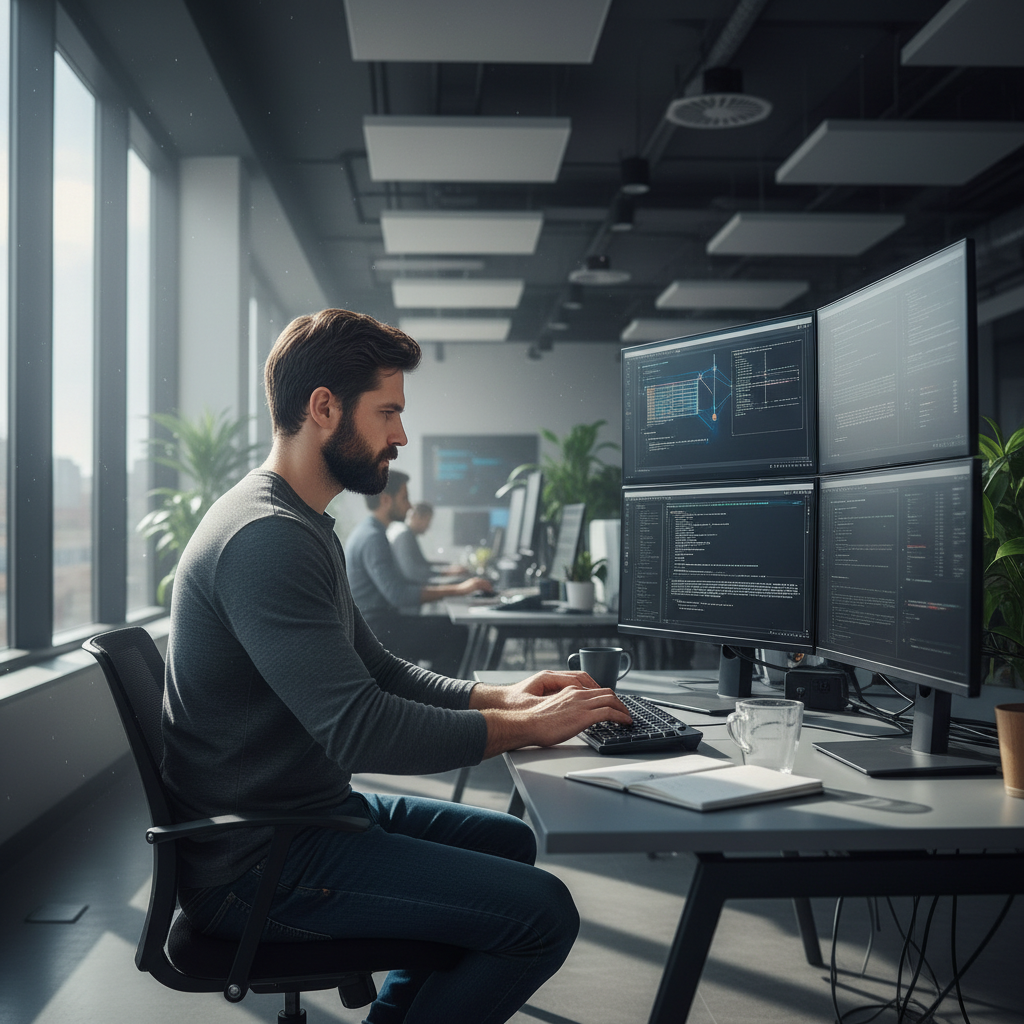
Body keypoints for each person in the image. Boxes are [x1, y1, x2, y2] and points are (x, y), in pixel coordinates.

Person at [161, 307, 631, 1024]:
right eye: (387, 412)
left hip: (299, 814)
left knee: (509, 841)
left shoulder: (299, 521)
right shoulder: (266, 539)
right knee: (542, 915)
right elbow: (363, 731)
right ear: (324, 408)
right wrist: (529, 730)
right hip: (262, 864)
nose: (401, 435)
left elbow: (379, 673)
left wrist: (506, 695)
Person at [347, 474, 490, 674]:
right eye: (404, 498)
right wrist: (458, 589)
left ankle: (434, 693)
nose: (409, 506)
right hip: (377, 630)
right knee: (455, 633)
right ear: (385, 499)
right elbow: (398, 595)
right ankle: (438, 700)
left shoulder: (370, 531)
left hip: (377, 624)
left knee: (449, 627)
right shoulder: (373, 538)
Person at [388, 500, 466, 583]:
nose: (428, 526)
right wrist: (447, 572)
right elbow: (413, 571)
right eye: (428, 520)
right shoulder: (405, 536)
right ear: (417, 516)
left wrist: (449, 565)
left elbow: (422, 564)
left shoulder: (407, 534)